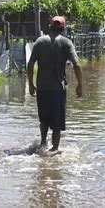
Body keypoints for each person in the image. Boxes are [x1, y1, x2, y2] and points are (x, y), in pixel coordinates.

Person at [27, 16, 83, 153]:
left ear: (49, 26)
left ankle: (42, 144)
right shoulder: (66, 43)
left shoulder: (40, 42)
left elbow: (30, 63)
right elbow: (76, 64)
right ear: (63, 28)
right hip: (58, 89)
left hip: (42, 88)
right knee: (57, 122)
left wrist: (30, 83)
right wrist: (80, 84)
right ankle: (55, 149)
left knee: (44, 119)